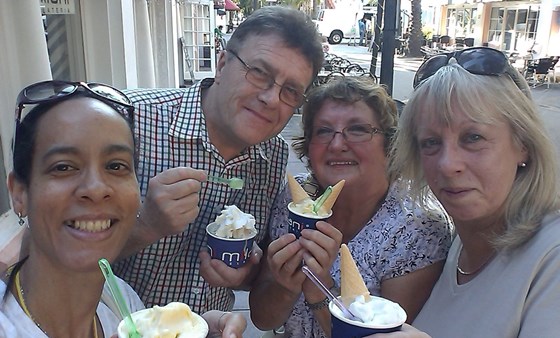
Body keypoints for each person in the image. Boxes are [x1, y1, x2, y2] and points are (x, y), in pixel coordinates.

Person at [113, 5, 325, 314]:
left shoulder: (274, 156)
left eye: (290, 90)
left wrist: (246, 273)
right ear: (222, 64)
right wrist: (146, 226)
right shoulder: (129, 121)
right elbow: (55, 253)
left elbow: (254, 281)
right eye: (259, 73)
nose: (270, 98)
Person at [0, 80, 246, 338]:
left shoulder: (121, 304)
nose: (96, 188)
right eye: (63, 167)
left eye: (116, 166)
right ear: (19, 193)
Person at [371, 47, 560, 337]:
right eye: (431, 142)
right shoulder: (460, 243)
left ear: (523, 144)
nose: (448, 165)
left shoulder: (551, 257)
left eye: (473, 137)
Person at [249, 76, 453, 337]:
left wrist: (318, 286)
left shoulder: (418, 229)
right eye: (323, 131)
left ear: (389, 144)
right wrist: (285, 287)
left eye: (357, 130)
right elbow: (263, 319)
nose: (337, 145)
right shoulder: (294, 202)